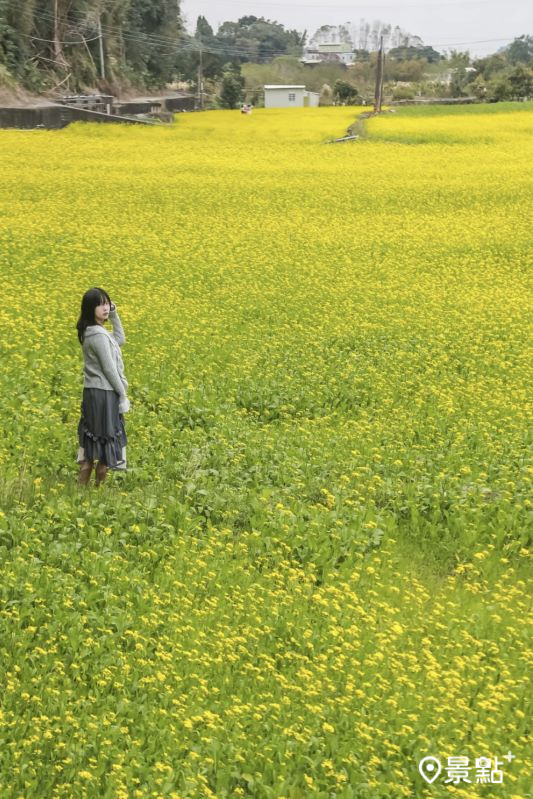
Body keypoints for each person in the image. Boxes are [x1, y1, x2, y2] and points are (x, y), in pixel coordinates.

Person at [76, 287, 129, 486]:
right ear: (90, 309)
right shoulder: (97, 336)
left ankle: (84, 493)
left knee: (94, 441)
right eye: (100, 305)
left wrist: (114, 315)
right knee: (105, 439)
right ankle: (95, 491)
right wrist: (122, 394)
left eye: (107, 303)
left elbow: (120, 339)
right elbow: (109, 369)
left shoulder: (95, 332)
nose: (105, 308)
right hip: (103, 393)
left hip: (95, 392)